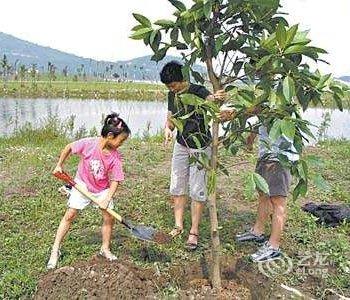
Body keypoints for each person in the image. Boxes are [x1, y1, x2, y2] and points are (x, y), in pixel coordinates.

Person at [47, 113, 130, 269]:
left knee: (108, 218)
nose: (122, 143)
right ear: (111, 136)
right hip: (82, 185)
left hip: (102, 189)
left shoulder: (115, 157)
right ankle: (55, 249)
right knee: (70, 215)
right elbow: (69, 147)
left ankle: (104, 248)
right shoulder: (89, 144)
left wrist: (107, 199)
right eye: (122, 140)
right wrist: (59, 165)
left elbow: (116, 180)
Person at [160, 60, 224, 250]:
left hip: (200, 146)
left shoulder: (198, 91)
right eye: (169, 87)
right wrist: (167, 128)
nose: (172, 90)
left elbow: (211, 100)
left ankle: (193, 231)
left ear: (182, 80)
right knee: (177, 184)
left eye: (173, 86)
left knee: (197, 188)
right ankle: (178, 225)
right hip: (181, 144)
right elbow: (171, 115)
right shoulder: (172, 94)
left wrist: (218, 97)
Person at [235, 124, 299, 262]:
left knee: (278, 201)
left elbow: (258, 110)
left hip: (279, 157)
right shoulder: (263, 107)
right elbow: (259, 120)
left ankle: (273, 246)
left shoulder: (283, 105)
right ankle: (258, 231)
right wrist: (250, 139)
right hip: (265, 155)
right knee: (263, 195)